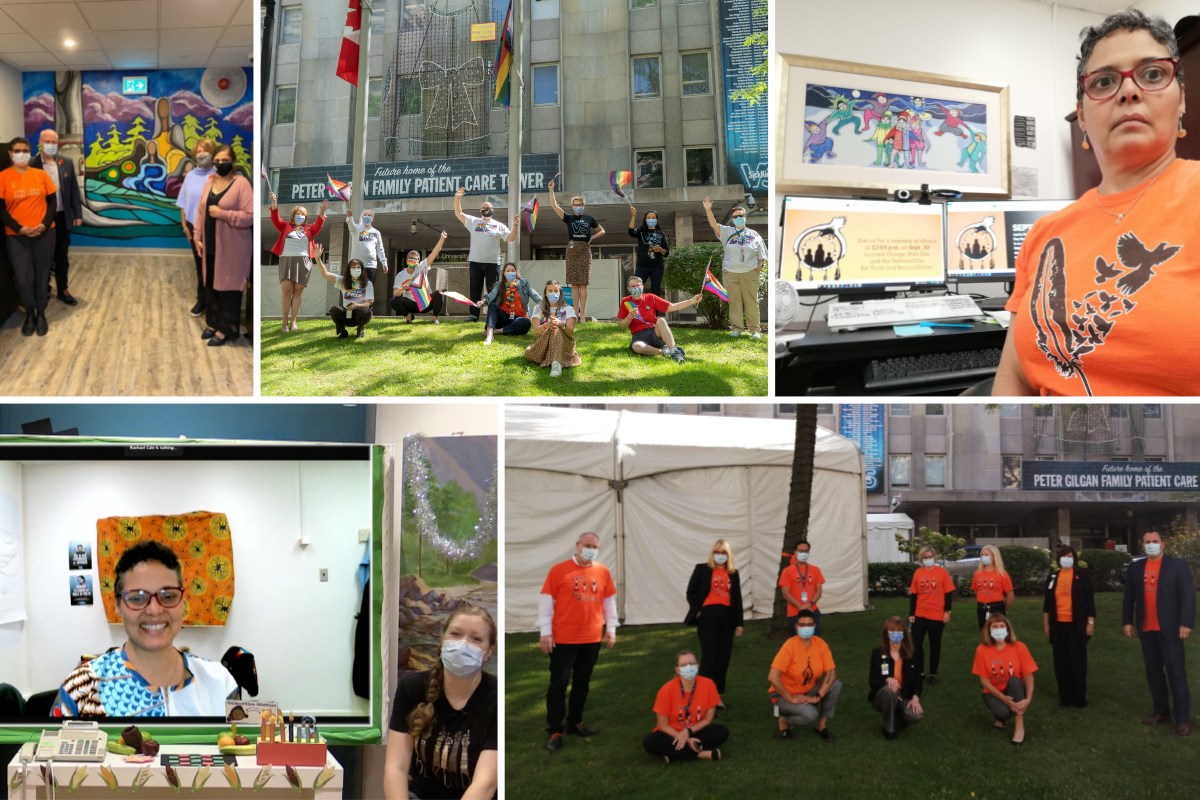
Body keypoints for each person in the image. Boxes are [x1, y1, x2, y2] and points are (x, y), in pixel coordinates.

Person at [993, 9, 1200, 395]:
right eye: (1104, 81)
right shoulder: (1045, 234)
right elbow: (1015, 375)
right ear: (1083, 117)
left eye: (1152, 74)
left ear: (1182, 100)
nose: (1129, 91)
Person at [52, 541, 239, 717]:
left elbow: (242, 747)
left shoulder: (220, 682)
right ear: (117, 604)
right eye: (137, 598)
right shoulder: (82, 689)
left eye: (167, 596)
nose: (154, 610)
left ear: (182, 601)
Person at [383, 605, 497, 800]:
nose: (463, 644)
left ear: (488, 652)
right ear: (443, 641)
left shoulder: (495, 698)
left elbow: (485, 784)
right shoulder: (411, 688)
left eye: (476, 639)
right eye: (456, 634)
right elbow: (396, 768)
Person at [539, 532, 618, 752]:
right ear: (578, 545)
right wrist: (545, 632)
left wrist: (610, 629)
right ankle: (555, 729)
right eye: (587, 545)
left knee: (582, 683)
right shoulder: (558, 570)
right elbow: (546, 603)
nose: (591, 549)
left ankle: (576, 722)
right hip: (563, 640)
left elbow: (609, 603)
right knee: (558, 684)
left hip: (591, 638)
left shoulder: (603, 572)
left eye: (595, 546)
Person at [1122, 529, 1195, 736]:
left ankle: (1182, 719)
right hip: (1147, 630)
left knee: (1176, 675)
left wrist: (1185, 623)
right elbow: (1129, 598)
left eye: (1155, 541)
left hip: (1171, 630)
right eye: (1147, 542)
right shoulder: (1136, 568)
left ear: (1162, 544)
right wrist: (1127, 622)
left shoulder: (1177, 566)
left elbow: (1188, 596)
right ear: (1142, 545)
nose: (1151, 544)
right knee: (1154, 675)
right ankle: (1161, 712)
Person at [194, 145, 253, 347]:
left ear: (233, 161)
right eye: (217, 161)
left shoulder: (241, 184)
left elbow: (250, 216)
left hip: (232, 250)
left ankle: (225, 329)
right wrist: (197, 237)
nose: (220, 164)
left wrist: (223, 214)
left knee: (228, 290)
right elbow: (200, 211)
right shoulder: (209, 182)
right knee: (210, 286)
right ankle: (213, 322)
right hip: (209, 247)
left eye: (224, 160)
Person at [0, 136, 57, 337]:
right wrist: (19, 228)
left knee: (42, 273)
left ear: (30, 151)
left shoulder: (40, 175)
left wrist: (44, 224)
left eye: (25, 150)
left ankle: (41, 311)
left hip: (45, 232)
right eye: (17, 151)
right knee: (23, 278)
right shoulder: (3, 177)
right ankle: (30, 311)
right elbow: (1, 210)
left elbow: (52, 202)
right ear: (10, 153)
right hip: (17, 236)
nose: (21, 154)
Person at [642, 650, 728, 764]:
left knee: (721, 732)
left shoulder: (708, 684)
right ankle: (701, 753)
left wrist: (688, 732)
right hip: (671, 733)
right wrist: (684, 738)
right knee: (650, 741)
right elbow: (662, 725)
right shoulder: (666, 690)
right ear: (677, 669)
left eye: (692, 664)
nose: (689, 667)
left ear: (697, 666)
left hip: (695, 730)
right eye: (684, 665)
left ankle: (673, 754)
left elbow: (708, 719)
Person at [768, 608, 841, 742]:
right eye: (802, 625)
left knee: (835, 685)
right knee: (810, 714)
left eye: (809, 624)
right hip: (783, 695)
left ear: (814, 625)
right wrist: (789, 697)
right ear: (796, 627)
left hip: (808, 690)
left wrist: (817, 697)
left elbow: (831, 672)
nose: (806, 628)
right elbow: (772, 677)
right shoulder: (789, 646)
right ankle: (784, 722)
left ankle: (821, 726)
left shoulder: (820, 644)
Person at [684, 539, 744, 699]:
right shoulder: (702, 569)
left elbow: (737, 599)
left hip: (727, 618)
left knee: (723, 657)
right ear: (712, 553)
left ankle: (717, 696)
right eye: (717, 552)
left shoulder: (733, 573)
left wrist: (739, 622)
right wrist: (697, 611)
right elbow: (691, 592)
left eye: (723, 552)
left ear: (728, 555)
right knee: (709, 656)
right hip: (708, 617)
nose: (720, 555)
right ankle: (703, 695)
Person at [31, 129, 82, 307]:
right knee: (42, 257)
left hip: (62, 217)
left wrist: (77, 213)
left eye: (54, 141)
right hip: (40, 219)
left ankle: (63, 289)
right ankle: (43, 289)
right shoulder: (31, 164)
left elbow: (74, 191)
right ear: (40, 143)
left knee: (62, 256)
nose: (51, 145)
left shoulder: (66, 162)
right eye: (47, 141)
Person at [702, 197, 766, 338]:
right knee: (734, 302)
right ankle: (737, 328)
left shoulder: (754, 234)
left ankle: (754, 330)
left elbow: (762, 254)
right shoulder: (727, 232)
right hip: (731, 273)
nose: (738, 218)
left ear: (745, 217)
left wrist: (759, 266)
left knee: (751, 302)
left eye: (740, 216)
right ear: (732, 218)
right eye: (735, 217)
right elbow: (713, 224)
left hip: (750, 273)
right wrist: (708, 210)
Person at [1042, 544, 1096, 708]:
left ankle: (1079, 698)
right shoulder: (1053, 577)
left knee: (1077, 661)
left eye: (1070, 556)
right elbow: (1047, 604)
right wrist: (1046, 625)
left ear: (1074, 558)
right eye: (1064, 556)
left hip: (1077, 626)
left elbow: (1090, 602)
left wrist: (1090, 623)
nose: (1067, 559)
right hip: (1058, 626)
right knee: (1061, 662)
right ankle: (1065, 697)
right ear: (1059, 559)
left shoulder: (1082, 575)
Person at [453, 187, 517, 323]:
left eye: (488, 208)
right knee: (475, 289)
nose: (486, 210)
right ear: (480, 211)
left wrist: (515, 226)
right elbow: (458, 213)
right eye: (483, 208)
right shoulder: (473, 221)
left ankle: (494, 314)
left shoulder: (499, 225)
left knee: (493, 290)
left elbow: (511, 238)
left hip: (492, 262)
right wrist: (457, 198)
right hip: (475, 261)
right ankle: (474, 315)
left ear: (493, 210)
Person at [269, 190, 329, 333]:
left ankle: (294, 321)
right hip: (287, 259)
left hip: (304, 260)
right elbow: (275, 218)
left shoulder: (309, 229)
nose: (300, 216)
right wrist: (274, 203)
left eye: (303, 214)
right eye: (298, 214)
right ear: (293, 216)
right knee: (286, 290)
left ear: (306, 217)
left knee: (298, 291)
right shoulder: (285, 226)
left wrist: (321, 212)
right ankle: (284, 322)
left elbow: (318, 225)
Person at [972, 613, 1037, 745]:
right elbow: (984, 681)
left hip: (1015, 688)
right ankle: (1001, 719)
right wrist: (1005, 700)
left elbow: (1029, 676)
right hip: (994, 692)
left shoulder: (1019, 647)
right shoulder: (982, 650)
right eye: (994, 626)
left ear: (1007, 628)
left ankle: (1019, 726)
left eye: (1001, 626)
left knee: (1014, 680)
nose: (998, 629)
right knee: (1003, 713)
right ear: (989, 631)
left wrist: (1028, 699)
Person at [547, 180, 604, 321]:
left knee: (583, 283)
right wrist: (551, 190)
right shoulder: (569, 218)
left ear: (583, 206)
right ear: (572, 206)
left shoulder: (589, 218)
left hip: (585, 249)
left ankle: (583, 314)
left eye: (580, 205)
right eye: (575, 205)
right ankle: (575, 312)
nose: (577, 206)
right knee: (574, 283)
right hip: (572, 249)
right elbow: (554, 206)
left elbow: (602, 231)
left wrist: (592, 238)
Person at [617, 275, 701, 363]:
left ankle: (674, 351)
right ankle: (664, 351)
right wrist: (629, 317)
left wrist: (692, 301)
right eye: (633, 286)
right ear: (629, 289)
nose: (636, 288)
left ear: (642, 286)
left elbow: (672, 307)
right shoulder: (626, 301)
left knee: (661, 320)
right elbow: (622, 325)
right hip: (639, 336)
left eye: (638, 285)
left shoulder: (651, 297)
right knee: (636, 347)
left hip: (655, 332)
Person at [176, 138, 217, 318]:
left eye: (205, 150)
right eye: (198, 150)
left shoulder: (218, 175)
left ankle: (214, 301)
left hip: (214, 228)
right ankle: (202, 299)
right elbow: (183, 203)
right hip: (194, 228)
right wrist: (185, 225)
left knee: (214, 265)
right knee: (200, 265)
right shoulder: (190, 177)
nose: (202, 153)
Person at [867, 616, 924, 740]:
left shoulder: (912, 654)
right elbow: (872, 682)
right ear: (886, 634)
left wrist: (915, 698)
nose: (896, 634)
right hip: (882, 697)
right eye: (892, 631)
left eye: (899, 631)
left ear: (904, 633)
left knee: (916, 716)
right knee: (890, 689)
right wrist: (887, 679)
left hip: (903, 697)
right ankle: (889, 729)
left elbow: (918, 681)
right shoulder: (878, 653)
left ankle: (894, 718)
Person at [908, 545, 954, 686]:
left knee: (935, 645)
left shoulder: (942, 573)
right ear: (921, 559)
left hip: (937, 615)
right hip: (920, 613)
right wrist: (911, 614)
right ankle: (920, 671)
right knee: (916, 644)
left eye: (930, 557)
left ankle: (933, 674)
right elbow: (914, 595)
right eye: (925, 558)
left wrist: (947, 612)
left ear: (934, 557)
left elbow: (948, 593)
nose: (928, 559)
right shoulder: (918, 573)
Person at [313, 244, 373, 339]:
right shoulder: (343, 281)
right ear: (349, 270)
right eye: (353, 268)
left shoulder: (367, 283)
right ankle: (342, 332)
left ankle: (360, 329)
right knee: (334, 309)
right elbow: (326, 274)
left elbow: (368, 303)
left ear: (362, 270)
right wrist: (317, 258)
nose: (356, 269)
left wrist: (357, 305)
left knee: (366, 311)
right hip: (347, 314)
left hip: (360, 314)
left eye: (358, 268)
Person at [524, 279, 580, 378]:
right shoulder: (538, 308)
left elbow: (570, 334)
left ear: (560, 293)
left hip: (564, 343)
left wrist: (561, 324)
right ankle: (553, 359)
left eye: (556, 291)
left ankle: (556, 364)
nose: (553, 293)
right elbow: (536, 332)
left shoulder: (568, 309)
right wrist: (547, 325)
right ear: (545, 293)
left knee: (556, 330)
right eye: (550, 291)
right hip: (543, 343)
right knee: (552, 329)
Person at [391, 231, 450, 323]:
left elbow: (434, 253)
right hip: (410, 304)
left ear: (419, 261)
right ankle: (408, 316)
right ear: (406, 260)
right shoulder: (400, 275)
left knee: (439, 293)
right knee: (393, 301)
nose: (412, 260)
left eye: (415, 259)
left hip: (425, 303)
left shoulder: (422, 266)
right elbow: (395, 294)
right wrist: (402, 289)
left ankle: (434, 319)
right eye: (410, 258)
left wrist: (442, 239)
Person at [483, 262, 540, 345]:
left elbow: (535, 295)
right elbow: (490, 296)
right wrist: (482, 301)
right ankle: (489, 334)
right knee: (492, 305)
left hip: (518, 318)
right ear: (504, 273)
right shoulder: (500, 285)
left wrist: (545, 304)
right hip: (503, 317)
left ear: (516, 272)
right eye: (508, 271)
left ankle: (497, 331)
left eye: (512, 270)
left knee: (526, 323)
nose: (510, 272)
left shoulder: (524, 283)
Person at [777, 540, 826, 635]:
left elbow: (819, 591)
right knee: (796, 643)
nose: (803, 553)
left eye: (806, 551)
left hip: (812, 612)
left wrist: (809, 604)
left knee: (815, 641)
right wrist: (801, 607)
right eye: (800, 551)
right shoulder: (787, 571)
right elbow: (785, 594)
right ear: (795, 552)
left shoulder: (815, 570)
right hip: (794, 613)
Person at [628, 206, 670, 297]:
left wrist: (660, 249)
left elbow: (666, 253)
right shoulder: (641, 231)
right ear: (645, 219)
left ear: (657, 220)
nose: (651, 219)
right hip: (642, 266)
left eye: (653, 218)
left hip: (657, 266)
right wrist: (633, 216)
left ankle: (654, 311)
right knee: (636, 289)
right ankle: (636, 310)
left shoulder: (661, 234)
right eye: (649, 218)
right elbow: (631, 232)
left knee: (656, 291)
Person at [344, 201, 388, 282]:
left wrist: (384, 262)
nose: (367, 216)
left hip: (371, 266)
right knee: (356, 290)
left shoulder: (376, 232)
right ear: (362, 217)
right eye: (365, 215)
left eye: (369, 215)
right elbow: (351, 225)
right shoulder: (356, 229)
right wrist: (350, 217)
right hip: (356, 266)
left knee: (369, 290)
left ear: (373, 218)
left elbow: (380, 249)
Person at [972, 544, 1015, 628]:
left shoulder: (1002, 574)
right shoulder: (977, 573)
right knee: (984, 632)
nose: (984, 557)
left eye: (987, 555)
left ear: (994, 557)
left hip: (997, 608)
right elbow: (976, 590)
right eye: (982, 555)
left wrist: (1002, 609)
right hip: (981, 608)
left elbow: (1010, 595)